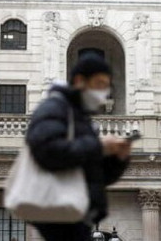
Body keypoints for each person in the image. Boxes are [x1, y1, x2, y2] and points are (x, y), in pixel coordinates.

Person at [26, 53, 131, 241]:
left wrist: (118, 159)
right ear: (79, 80)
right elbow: (48, 152)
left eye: (106, 86)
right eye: (99, 84)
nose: (103, 92)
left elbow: (95, 174)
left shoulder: (80, 117)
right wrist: (98, 146)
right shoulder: (55, 107)